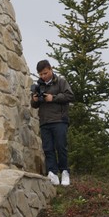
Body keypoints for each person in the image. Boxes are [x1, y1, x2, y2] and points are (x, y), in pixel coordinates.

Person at [30, 59, 75, 187]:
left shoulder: (61, 81)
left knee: (61, 147)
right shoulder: (38, 85)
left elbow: (70, 96)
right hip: (45, 121)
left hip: (59, 120)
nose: (43, 76)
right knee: (48, 149)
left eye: (45, 73)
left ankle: (65, 172)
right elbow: (34, 105)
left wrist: (53, 98)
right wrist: (34, 100)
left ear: (51, 69)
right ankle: (52, 173)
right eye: (40, 74)